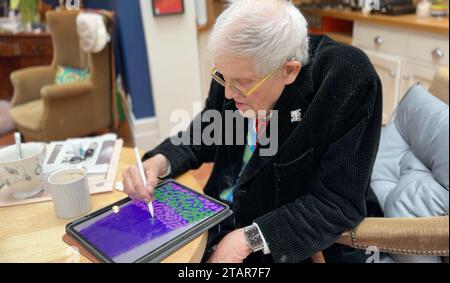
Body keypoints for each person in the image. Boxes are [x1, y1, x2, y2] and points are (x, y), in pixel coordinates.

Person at [123, 0, 383, 263]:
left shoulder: (347, 80)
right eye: (223, 77)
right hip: (221, 217)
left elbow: (335, 203)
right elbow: (205, 134)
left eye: (243, 83)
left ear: (289, 70)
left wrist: (250, 238)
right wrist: (159, 162)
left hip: (287, 238)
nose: (227, 93)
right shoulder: (235, 70)